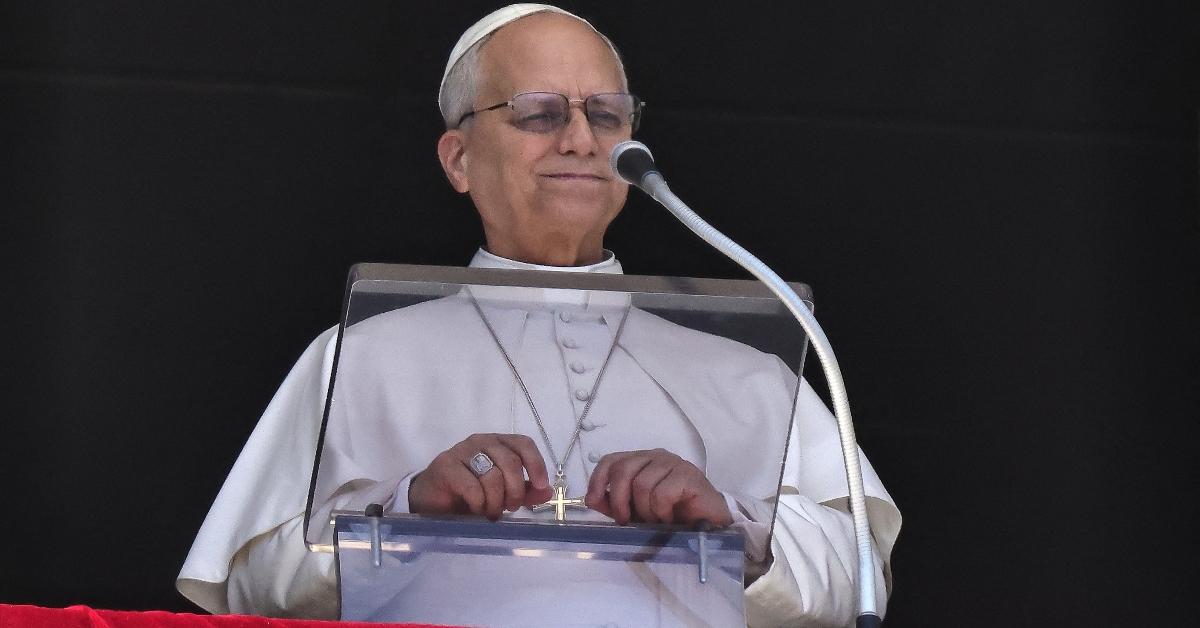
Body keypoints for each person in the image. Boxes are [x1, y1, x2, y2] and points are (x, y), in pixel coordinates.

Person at [177, 5, 901, 626]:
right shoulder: (356, 358)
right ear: (458, 159)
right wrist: (404, 511)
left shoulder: (752, 374)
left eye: (606, 114)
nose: (581, 141)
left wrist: (732, 526)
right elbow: (248, 587)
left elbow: (857, 580)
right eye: (539, 114)